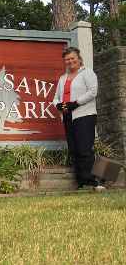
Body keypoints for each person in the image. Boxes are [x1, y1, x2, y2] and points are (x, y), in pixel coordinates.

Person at [53, 46, 102, 190]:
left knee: (84, 150)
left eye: (73, 58)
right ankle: (81, 183)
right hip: (68, 117)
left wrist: (76, 103)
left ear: (79, 59)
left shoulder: (87, 73)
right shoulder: (63, 78)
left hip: (84, 115)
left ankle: (91, 183)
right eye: (67, 60)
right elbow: (55, 97)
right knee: (74, 150)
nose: (70, 61)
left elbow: (93, 92)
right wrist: (58, 106)